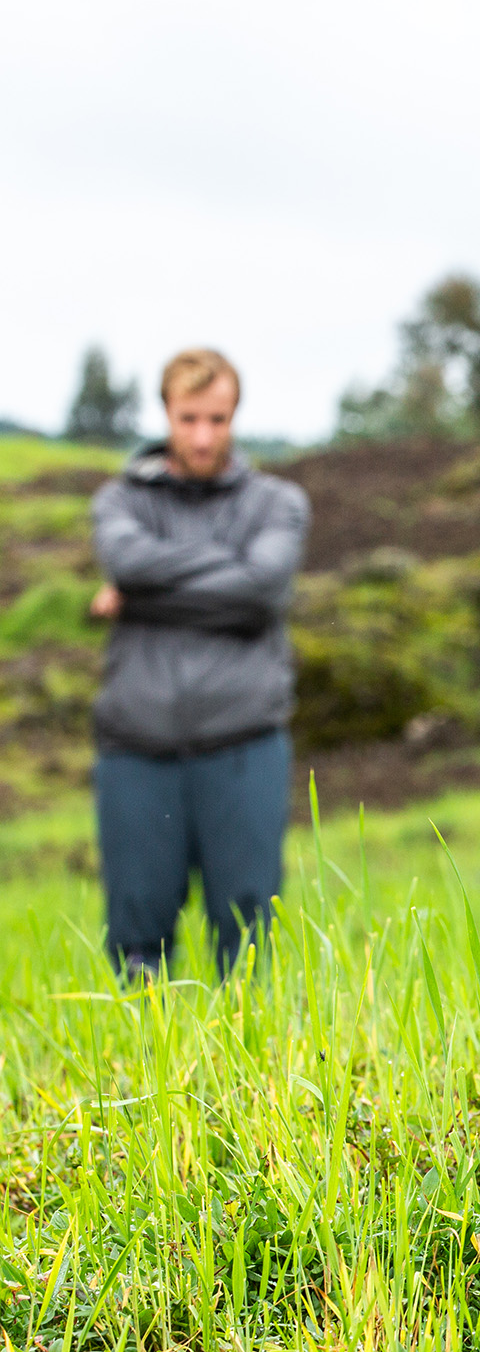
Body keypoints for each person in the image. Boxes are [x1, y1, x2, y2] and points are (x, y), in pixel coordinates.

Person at [87, 349, 310, 978]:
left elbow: (262, 590)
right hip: (136, 745)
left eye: (217, 418)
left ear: (235, 414)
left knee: (248, 937)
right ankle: (138, 1069)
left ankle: (248, 1073)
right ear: (166, 413)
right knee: (137, 937)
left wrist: (146, 596)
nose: (203, 435)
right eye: (189, 419)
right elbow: (127, 562)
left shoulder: (278, 503)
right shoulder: (120, 501)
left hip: (244, 744)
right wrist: (229, 580)